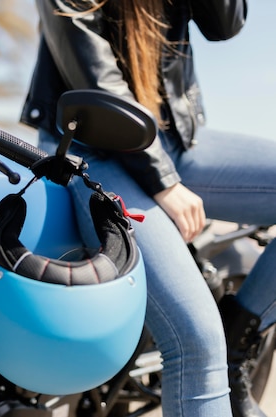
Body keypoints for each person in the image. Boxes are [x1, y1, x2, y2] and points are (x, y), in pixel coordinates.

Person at [20, 1, 276, 416]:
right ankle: (216, 349)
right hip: (93, 146)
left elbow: (225, 25)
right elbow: (95, 82)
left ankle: (238, 342)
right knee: (196, 341)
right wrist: (164, 182)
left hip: (174, 136)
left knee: (217, 343)